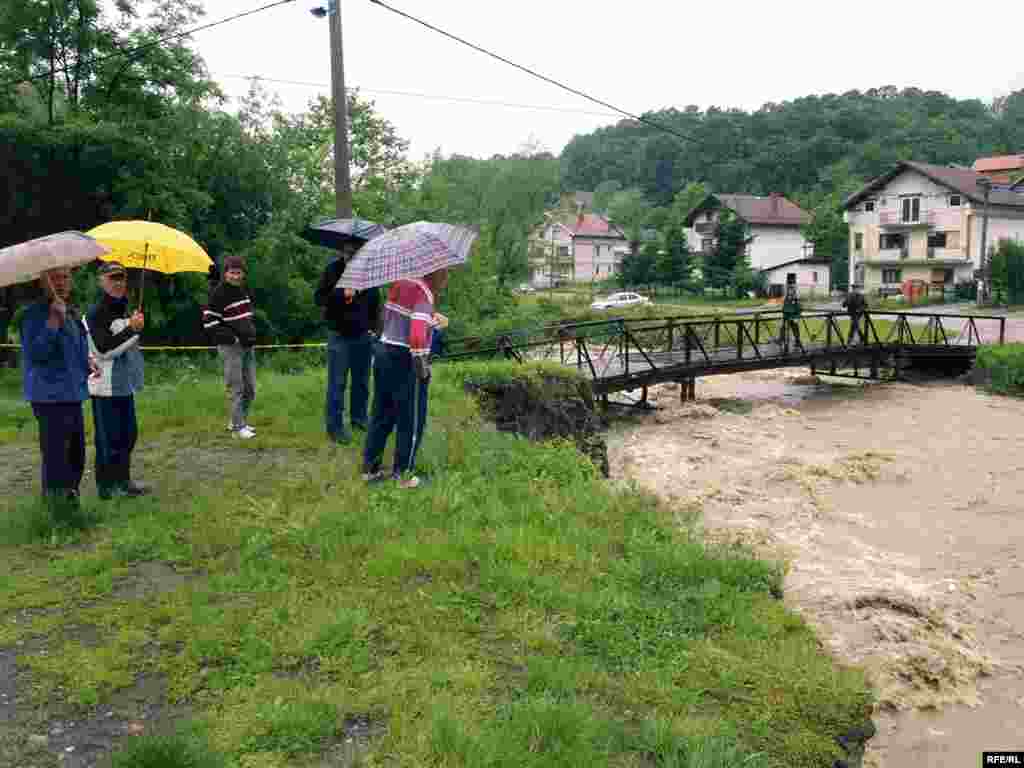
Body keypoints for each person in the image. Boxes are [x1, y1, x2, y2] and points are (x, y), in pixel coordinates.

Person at [362, 269, 447, 489]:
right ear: (435, 272)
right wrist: (422, 367)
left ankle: (370, 470)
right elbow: (417, 336)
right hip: (405, 360)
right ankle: (403, 475)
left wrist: (430, 321)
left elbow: (393, 320)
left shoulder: (400, 284)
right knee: (411, 420)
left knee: (381, 414)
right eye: (445, 272)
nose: (446, 278)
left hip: (383, 351)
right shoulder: (424, 292)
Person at [19, 267, 94, 509]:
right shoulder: (33, 314)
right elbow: (36, 354)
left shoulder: (70, 311)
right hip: (48, 396)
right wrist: (52, 322)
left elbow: (76, 346)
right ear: (43, 282)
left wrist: (88, 363)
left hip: (73, 393)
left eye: (64, 277)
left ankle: (70, 505)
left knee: (76, 455)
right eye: (54, 278)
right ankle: (54, 511)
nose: (60, 283)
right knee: (55, 457)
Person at [84, 261, 148, 499]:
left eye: (122, 277)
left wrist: (135, 326)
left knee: (128, 434)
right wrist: (132, 329)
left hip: (124, 384)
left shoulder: (125, 309)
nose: (119, 282)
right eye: (113, 278)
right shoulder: (95, 312)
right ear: (102, 281)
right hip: (104, 386)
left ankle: (124, 481)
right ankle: (106, 488)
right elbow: (103, 350)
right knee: (108, 439)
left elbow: (129, 345)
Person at [314, 244, 382, 444]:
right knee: (338, 383)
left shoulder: (370, 271)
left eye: (356, 252)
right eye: (348, 252)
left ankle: (359, 419)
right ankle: (335, 428)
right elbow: (319, 299)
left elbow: (375, 301)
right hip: (339, 335)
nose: (351, 255)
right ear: (342, 252)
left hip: (363, 335)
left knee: (361, 382)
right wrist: (341, 294)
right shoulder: (332, 270)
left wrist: (374, 328)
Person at [204, 254, 258, 439]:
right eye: (232, 272)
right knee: (236, 387)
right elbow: (209, 323)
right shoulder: (218, 293)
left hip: (248, 346)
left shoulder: (242, 290)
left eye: (239, 272)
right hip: (231, 347)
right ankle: (237, 427)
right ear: (225, 274)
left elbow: (247, 316)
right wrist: (231, 338)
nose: (235, 276)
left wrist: (250, 334)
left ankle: (238, 420)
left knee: (250, 388)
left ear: (243, 274)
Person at [781, 282, 803, 352]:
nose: (790, 292)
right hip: (786, 317)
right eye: (789, 290)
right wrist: (784, 316)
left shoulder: (795, 299)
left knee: (795, 330)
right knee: (783, 330)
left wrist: (796, 317)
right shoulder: (786, 299)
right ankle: (784, 343)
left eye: (791, 290)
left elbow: (799, 309)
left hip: (793, 317)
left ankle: (797, 342)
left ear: (793, 291)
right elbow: (784, 308)